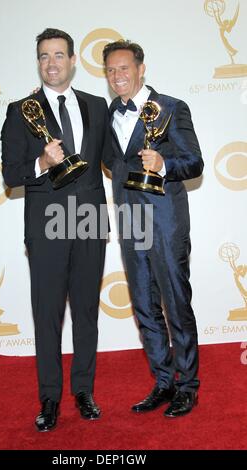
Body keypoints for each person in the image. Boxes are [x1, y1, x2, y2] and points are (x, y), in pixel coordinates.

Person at [1, 28, 113, 431]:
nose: (52, 63)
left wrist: (157, 166)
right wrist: (41, 164)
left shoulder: (98, 106)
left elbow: (115, 160)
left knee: (86, 312)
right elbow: (10, 174)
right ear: (38, 61)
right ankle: (49, 399)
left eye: (59, 55)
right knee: (47, 315)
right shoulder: (21, 110)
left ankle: (84, 391)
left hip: (90, 222)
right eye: (44, 56)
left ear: (72, 61)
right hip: (46, 227)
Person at [103, 40, 204, 418]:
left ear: (141, 68)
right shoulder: (107, 114)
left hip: (165, 221)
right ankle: (163, 382)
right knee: (144, 306)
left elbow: (194, 162)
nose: (118, 76)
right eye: (111, 70)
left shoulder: (173, 108)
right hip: (130, 221)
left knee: (176, 303)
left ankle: (187, 386)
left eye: (124, 68)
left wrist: (163, 163)